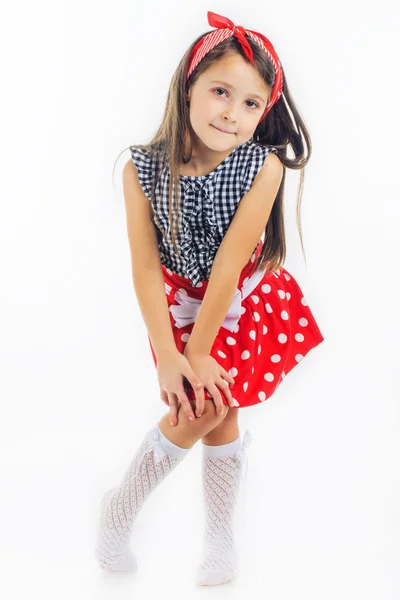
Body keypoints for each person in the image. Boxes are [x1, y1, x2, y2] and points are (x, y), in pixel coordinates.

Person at [95, 10, 324, 586]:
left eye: (252, 103)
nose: (232, 112)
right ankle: (137, 515)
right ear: (188, 86)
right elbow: (145, 267)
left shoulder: (262, 166)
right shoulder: (141, 169)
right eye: (221, 91)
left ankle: (185, 527)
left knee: (214, 405)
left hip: (239, 300)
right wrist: (173, 354)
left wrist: (199, 353)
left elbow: (227, 267)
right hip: (176, 309)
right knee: (209, 408)